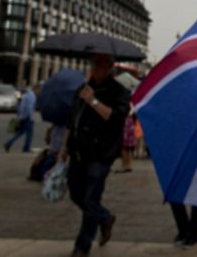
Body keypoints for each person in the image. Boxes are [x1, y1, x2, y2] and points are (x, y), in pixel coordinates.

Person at [58, 54, 130, 257]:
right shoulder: (82, 89)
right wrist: (63, 148)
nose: (96, 67)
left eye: (101, 64)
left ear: (109, 66)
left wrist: (93, 101)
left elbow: (116, 118)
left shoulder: (118, 91)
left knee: (91, 198)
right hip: (78, 151)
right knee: (76, 194)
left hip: (101, 153)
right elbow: (72, 121)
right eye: (94, 63)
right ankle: (105, 217)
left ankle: (82, 246)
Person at [4, 83, 41, 153]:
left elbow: (21, 105)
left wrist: (20, 116)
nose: (39, 92)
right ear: (36, 89)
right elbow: (29, 108)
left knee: (20, 132)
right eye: (39, 90)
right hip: (27, 117)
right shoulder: (32, 96)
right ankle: (26, 148)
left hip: (23, 117)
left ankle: (8, 143)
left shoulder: (26, 95)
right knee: (29, 134)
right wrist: (31, 118)